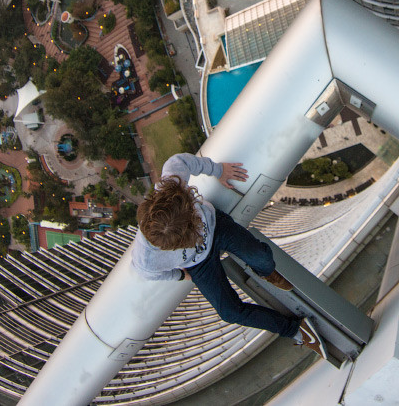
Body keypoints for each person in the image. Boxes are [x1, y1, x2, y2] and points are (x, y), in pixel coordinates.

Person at [131, 153, 326, 358]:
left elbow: (179, 161)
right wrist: (181, 275)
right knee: (229, 312)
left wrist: (218, 170)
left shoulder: (171, 187)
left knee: (262, 258)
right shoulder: (146, 259)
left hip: (216, 227)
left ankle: (265, 272)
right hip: (197, 263)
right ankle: (295, 330)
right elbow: (148, 273)